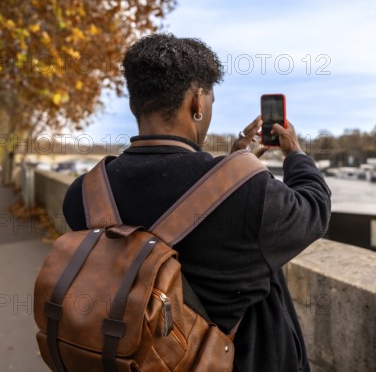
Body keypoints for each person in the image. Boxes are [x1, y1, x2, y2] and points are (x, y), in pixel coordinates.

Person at [62, 33, 331, 371]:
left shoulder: (83, 194)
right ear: (197, 103)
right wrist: (296, 155)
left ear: (134, 104)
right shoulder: (247, 194)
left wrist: (233, 167)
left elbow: (169, 188)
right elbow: (314, 210)